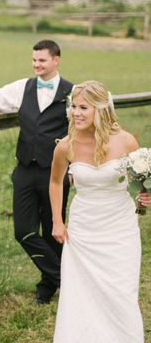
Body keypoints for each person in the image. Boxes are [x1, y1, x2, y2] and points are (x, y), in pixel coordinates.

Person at [0, 39, 73, 304]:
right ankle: (66, 280)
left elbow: (85, 129)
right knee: (24, 232)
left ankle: (47, 287)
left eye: (42, 60)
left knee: (53, 230)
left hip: (56, 172)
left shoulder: (73, 93)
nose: (37, 65)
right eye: (34, 60)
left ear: (56, 60)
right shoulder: (22, 88)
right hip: (25, 171)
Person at [50, 80, 150, 342]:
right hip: (83, 229)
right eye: (73, 107)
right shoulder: (66, 146)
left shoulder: (126, 141)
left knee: (121, 292)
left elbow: (142, 179)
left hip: (119, 228)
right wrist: (57, 221)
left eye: (84, 107)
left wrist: (145, 196)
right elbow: (55, 181)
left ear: (100, 109)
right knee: (80, 292)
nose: (76, 112)